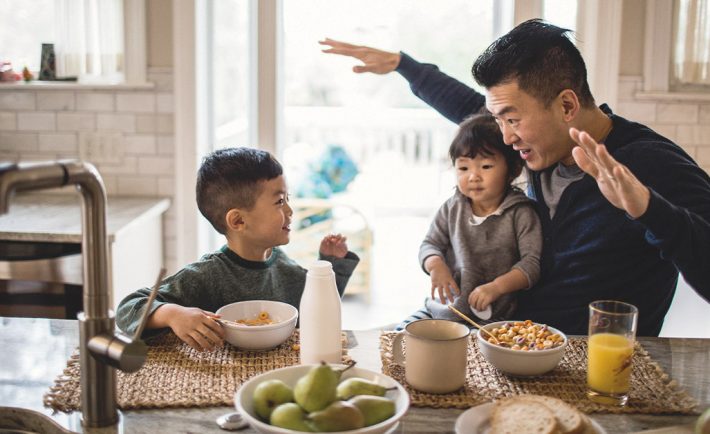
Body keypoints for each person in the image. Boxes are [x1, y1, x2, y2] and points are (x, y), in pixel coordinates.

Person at [320, 19, 710, 336]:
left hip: (585, 367)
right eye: (498, 120)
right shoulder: (539, 142)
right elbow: (468, 108)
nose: (505, 136)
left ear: (568, 105)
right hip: (502, 337)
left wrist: (648, 209)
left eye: (511, 118)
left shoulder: (650, 163)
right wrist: (404, 65)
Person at [116, 147, 359, 351]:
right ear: (238, 221)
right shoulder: (207, 275)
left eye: (288, 199)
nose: (290, 211)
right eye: (279, 202)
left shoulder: (282, 264)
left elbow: (318, 307)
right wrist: (171, 314)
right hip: (219, 378)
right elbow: (129, 308)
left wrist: (330, 263)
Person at [400, 114, 542, 330]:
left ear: (512, 170)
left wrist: (496, 287)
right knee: (400, 335)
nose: (473, 176)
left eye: (485, 166)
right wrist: (436, 266)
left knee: (478, 357)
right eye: (464, 168)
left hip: (493, 320)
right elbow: (430, 245)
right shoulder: (452, 207)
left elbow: (531, 264)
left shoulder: (521, 212)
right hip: (441, 310)